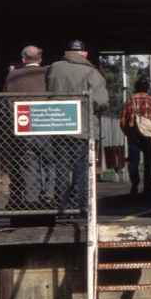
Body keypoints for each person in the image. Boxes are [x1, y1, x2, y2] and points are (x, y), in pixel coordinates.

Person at [46, 40, 108, 214]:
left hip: (59, 125)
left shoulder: (54, 68)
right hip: (84, 127)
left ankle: (61, 206)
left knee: (61, 167)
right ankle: (83, 207)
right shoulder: (91, 71)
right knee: (82, 169)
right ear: (85, 54)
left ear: (66, 52)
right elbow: (101, 101)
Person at [3, 46, 56, 223]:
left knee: (28, 164)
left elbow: (6, 99)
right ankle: (48, 196)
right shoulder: (48, 73)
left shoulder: (13, 75)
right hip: (46, 124)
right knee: (50, 161)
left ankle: (31, 199)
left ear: (23, 59)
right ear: (40, 59)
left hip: (22, 126)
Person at [120, 76, 151, 197]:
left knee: (133, 161)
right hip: (148, 135)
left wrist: (128, 133)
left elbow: (123, 121)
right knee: (149, 162)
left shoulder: (129, 100)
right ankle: (148, 188)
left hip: (133, 133)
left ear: (136, 87)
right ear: (147, 88)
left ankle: (135, 184)